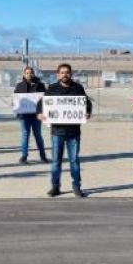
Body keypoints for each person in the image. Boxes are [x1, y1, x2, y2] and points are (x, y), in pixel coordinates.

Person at [37, 64, 92, 198]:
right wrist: (39, 113)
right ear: (57, 74)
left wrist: (88, 112)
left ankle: (76, 186)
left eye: (67, 72)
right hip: (57, 131)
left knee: (74, 160)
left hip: (74, 131)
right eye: (62, 73)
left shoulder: (78, 88)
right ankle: (55, 187)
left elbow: (87, 103)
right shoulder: (52, 88)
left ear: (71, 74)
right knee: (56, 160)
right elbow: (41, 103)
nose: (64, 75)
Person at [13, 66, 48, 164]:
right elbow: (16, 98)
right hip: (24, 116)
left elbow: (45, 98)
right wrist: (14, 102)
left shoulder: (40, 85)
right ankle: (24, 156)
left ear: (34, 73)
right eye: (27, 73)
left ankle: (43, 156)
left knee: (38, 135)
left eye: (31, 72)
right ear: (24, 74)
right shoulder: (19, 85)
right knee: (25, 135)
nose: (29, 74)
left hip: (36, 115)